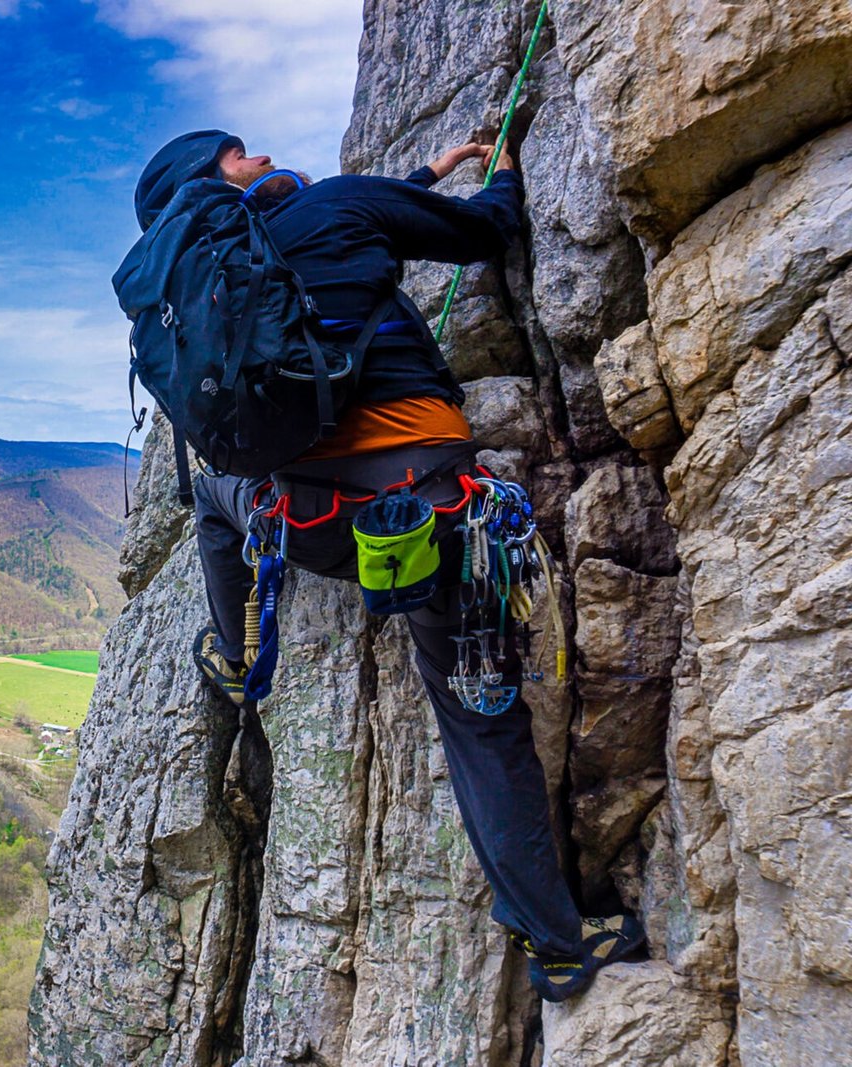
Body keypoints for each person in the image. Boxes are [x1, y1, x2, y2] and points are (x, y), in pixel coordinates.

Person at [131, 130, 645, 1003]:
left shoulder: (200, 290)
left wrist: (423, 173)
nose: (261, 156)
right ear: (215, 177)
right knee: (480, 724)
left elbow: (332, 234)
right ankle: (558, 945)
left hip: (306, 523)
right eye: (241, 152)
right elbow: (484, 230)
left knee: (214, 499)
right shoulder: (338, 206)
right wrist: (503, 169)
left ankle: (236, 651)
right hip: (420, 516)